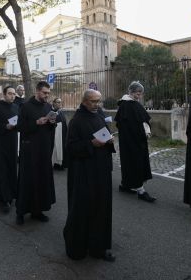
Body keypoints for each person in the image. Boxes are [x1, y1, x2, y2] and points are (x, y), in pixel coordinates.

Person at [64, 90, 116, 262]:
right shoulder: (76, 121)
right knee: (83, 209)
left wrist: (109, 140)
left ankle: (99, 247)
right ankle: (78, 246)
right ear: (85, 101)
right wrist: (91, 144)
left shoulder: (99, 115)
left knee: (101, 209)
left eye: (99, 101)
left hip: (101, 172)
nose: (97, 105)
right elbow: (71, 147)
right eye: (94, 101)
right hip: (84, 174)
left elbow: (105, 133)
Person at [15, 81, 56, 225]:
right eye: (44, 93)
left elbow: (51, 128)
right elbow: (20, 127)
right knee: (27, 180)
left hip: (44, 149)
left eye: (48, 93)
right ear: (37, 91)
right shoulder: (25, 106)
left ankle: (37, 211)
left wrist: (52, 122)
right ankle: (20, 212)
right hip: (30, 149)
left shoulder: (48, 107)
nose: (47, 95)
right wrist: (36, 123)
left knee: (41, 180)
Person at [114, 81, 156, 202]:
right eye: (138, 93)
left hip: (130, 140)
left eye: (141, 93)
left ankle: (126, 185)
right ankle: (141, 191)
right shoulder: (129, 105)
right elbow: (133, 124)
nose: (139, 96)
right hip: (133, 141)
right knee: (136, 163)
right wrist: (143, 132)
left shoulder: (128, 104)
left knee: (129, 162)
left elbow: (140, 121)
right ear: (131, 92)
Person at [51, 97, 68, 170]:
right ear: (54, 103)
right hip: (55, 133)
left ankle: (61, 164)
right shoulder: (51, 112)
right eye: (58, 102)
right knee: (55, 149)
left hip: (62, 134)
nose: (60, 104)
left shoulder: (61, 112)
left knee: (61, 149)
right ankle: (55, 164)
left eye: (60, 102)